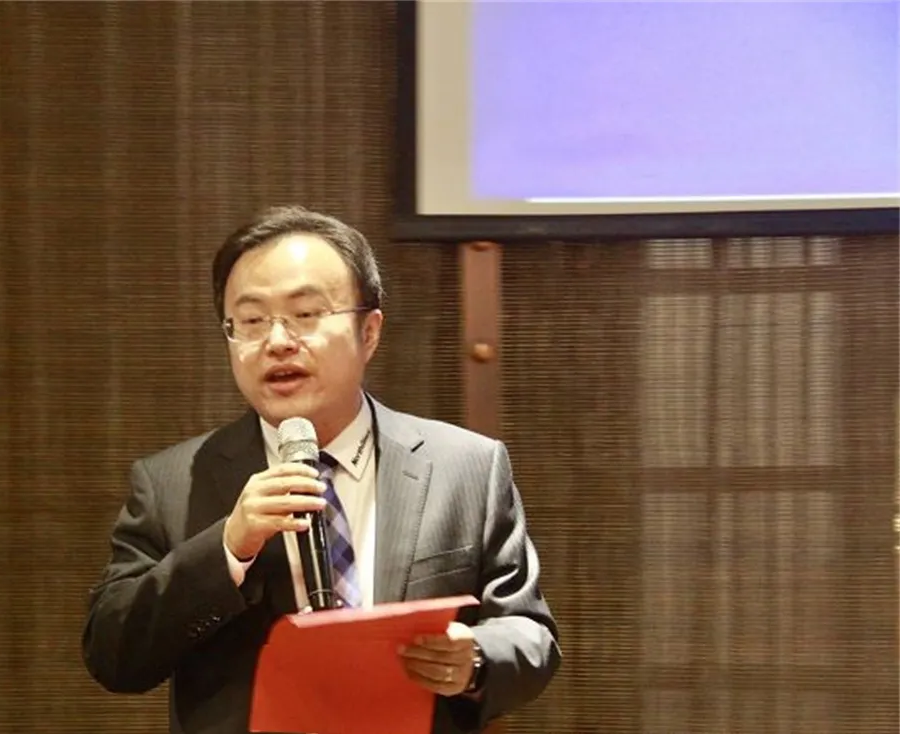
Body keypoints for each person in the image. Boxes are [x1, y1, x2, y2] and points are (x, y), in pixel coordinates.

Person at [81, 205, 560, 733]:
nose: (278, 341)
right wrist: (227, 549)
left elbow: (530, 634)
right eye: (251, 321)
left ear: (368, 332)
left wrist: (476, 658)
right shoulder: (172, 483)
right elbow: (113, 655)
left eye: (306, 314)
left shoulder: (464, 467)